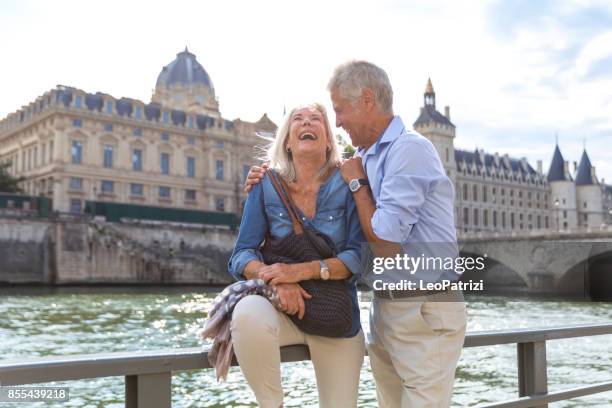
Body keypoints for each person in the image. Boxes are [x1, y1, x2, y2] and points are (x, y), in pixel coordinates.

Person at [246, 61, 467, 408]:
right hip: (386, 306)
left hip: (425, 306)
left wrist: (357, 182)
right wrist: (268, 180)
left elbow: (385, 243)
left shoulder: (409, 150)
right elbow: (311, 182)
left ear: (366, 100)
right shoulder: (363, 156)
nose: (338, 122)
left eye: (339, 110)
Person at [228, 103, 366, 408]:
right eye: (298, 120)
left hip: (336, 317)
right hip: (283, 309)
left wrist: (298, 272)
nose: (307, 122)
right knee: (248, 311)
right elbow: (241, 254)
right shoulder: (265, 183)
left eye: (317, 119)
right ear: (288, 141)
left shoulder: (349, 184)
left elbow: (357, 259)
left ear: (329, 140)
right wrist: (275, 281)